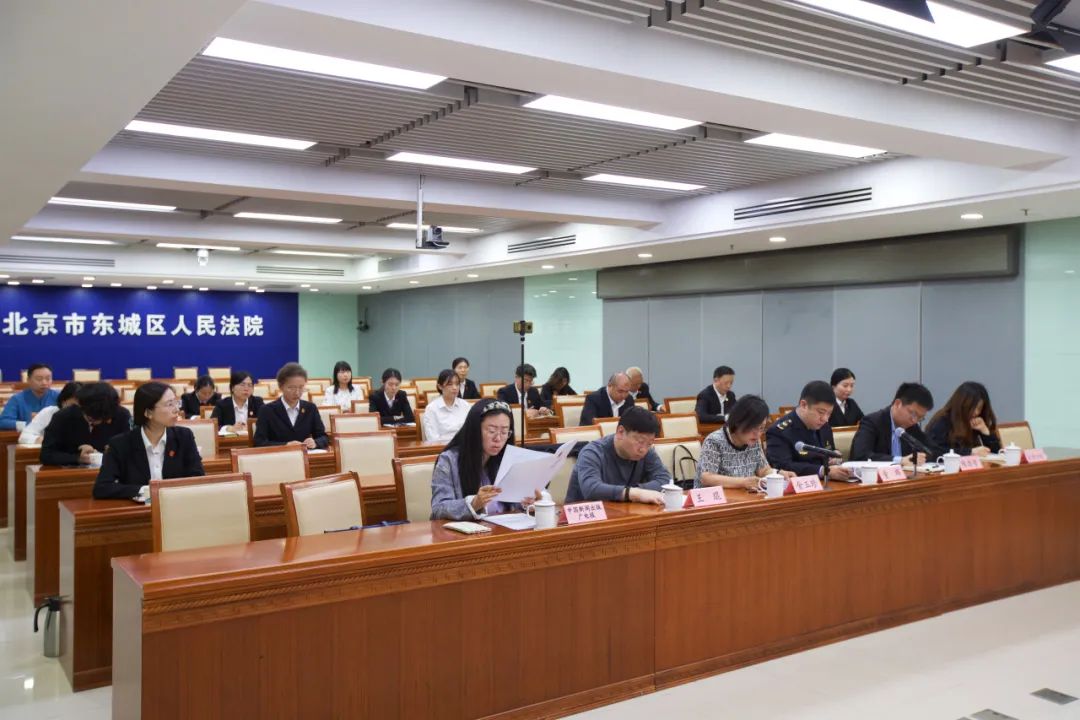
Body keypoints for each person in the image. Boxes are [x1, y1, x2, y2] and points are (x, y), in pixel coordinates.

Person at [93, 382, 204, 500]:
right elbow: (102, 488)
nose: (177, 409)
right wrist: (145, 491)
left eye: (176, 403)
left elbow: (198, 477)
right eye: (169, 404)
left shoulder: (184, 437)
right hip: (138, 509)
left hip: (177, 505)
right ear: (148, 412)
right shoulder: (120, 444)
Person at [430, 399, 538, 520]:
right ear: (475, 430)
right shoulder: (448, 461)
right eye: (492, 431)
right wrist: (473, 503)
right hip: (472, 531)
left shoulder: (510, 459)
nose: (498, 438)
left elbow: (517, 501)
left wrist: (528, 502)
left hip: (506, 528)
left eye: (504, 432)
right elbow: (438, 509)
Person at [565, 407, 668, 505]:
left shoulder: (647, 451)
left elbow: (665, 479)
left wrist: (634, 491)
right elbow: (591, 489)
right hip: (586, 514)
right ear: (620, 432)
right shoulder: (592, 452)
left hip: (626, 511)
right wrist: (634, 493)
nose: (643, 449)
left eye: (649, 444)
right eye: (640, 441)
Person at [696, 395, 794, 490]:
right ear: (738, 422)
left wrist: (778, 473)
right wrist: (742, 482)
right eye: (753, 427)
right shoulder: (714, 441)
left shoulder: (754, 441)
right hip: (715, 498)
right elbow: (707, 478)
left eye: (761, 428)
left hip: (744, 496)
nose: (758, 434)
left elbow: (763, 470)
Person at [766, 381, 851, 482]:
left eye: (829, 414)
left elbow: (828, 451)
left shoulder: (824, 426)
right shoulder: (780, 431)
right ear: (804, 405)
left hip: (827, 484)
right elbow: (783, 466)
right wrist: (823, 471)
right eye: (821, 412)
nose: (825, 419)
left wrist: (835, 457)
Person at [40, 382, 131, 466]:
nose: (97, 423)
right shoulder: (63, 417)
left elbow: (129, 451)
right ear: (80, 406)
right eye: (91, 419)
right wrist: (77, 458)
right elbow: (46, 455)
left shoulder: (121, 415)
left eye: (103, 419)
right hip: (71, 472)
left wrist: (110, 452)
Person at [850, 382, 936, 464]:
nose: (914, 420)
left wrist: (922, 457)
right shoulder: (872, 422)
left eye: (920, 418)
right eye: (913, 414)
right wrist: (899, 460)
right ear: (897, 404)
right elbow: (861, 456)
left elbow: (932, 450)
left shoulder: (912, 427)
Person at [253, 363, 328, 448]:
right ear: (281, 387)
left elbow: (323, 437)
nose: (297, 392)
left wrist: (315, 442)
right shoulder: (267, 410)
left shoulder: (310, 408)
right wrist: (285, 445)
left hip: (305, 454)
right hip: (279, 455)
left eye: (301, 387)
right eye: (291, 388)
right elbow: (259, 442)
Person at [926, 381, 1001, 457]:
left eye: (979, 408)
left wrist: (985, 431)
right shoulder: (942, 420)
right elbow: (934, 451)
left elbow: (996, 452)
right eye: (972, 407)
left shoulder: (977, 421)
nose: (976, 412)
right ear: (962, 404)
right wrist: (969, 452)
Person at [0, 363, 59, 430]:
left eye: (48, 379)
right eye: (39, 379)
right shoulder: (17, 399)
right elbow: (3, 422)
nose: (44, 383)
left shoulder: (59, 396)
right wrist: (29, 424)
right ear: (28, 380)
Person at [422, 369, 471, 442]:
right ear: (440, 386)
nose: (455, 388)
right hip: (442, 447)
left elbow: (471, 431)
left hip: (464, 446)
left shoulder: (465, 405)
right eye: (450, 384)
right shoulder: (431, 409)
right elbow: (433, 439)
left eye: (457, 384)